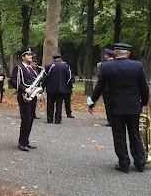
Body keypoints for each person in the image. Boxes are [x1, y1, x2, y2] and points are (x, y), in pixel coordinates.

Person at [87, 43, 149, 173]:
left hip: (115, 107)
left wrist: (92, 102)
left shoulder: (107, 66)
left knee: (119, 135)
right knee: (135, 134)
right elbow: (144, 87)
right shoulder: (137, 66)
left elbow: (100, 87)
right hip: (133, 107)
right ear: (129, 54)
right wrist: (143, 102)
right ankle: (140, 163)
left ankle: (124, 163)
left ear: (115, 53)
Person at [9, 48, 38, 152]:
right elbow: (12, 80)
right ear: (23, 57)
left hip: (33, 96)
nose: (31, 56)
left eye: (31, 55)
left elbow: (36, 80)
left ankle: (26, 141)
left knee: (30, 119)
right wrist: (24, 89)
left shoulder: (33, 68)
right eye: (28, 55)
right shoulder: (19, 68)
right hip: (24, 96)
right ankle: (22, 143)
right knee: (26, 119)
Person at [42, 53, 73, 124]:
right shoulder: (66, 66)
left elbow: (45, 78)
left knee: (50, 104)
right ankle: (58, 119)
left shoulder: (48, 66)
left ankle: (49, 118)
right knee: (59, 104)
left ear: (53, 59)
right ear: (60, 58)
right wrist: (69, 85)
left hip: (50, 89)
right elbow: (69, 77)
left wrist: (43, 87)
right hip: (61, 89)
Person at [101, 48, 115, 126]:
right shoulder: (117, 63)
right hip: (116, 89)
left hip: (106, 89)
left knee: (108, 105)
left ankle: (110, 121)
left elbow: (100, 76)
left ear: (107, 55)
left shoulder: (105, 65)